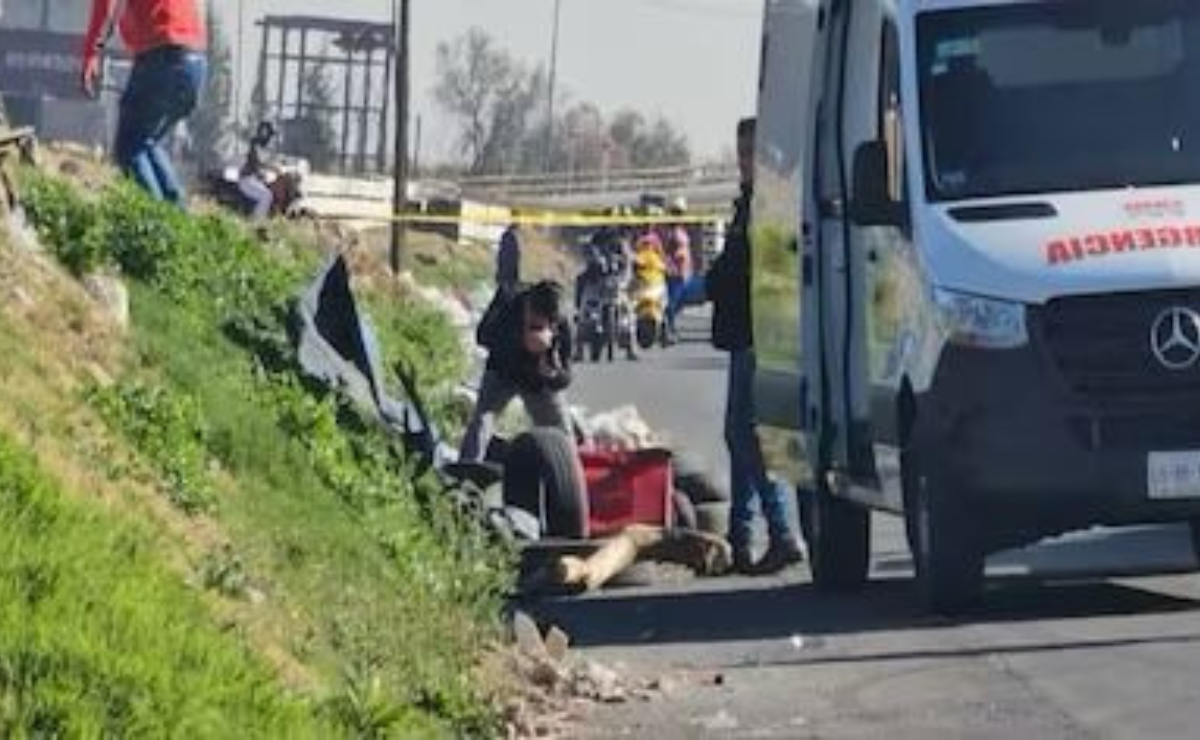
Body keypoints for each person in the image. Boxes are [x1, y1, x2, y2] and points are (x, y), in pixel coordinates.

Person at [706, 117, 804, 575]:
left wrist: (708, 283)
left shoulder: (771, 205)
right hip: (743, 331)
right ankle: (739, 538)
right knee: (738, 434)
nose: (743, 162)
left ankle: (782, 531)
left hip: (760, 333)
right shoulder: (749, 203)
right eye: (740, 153)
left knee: (748, 435)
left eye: (750, 153)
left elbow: (753, 268)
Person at [81, 0, 207, 207]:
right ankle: (176, 217)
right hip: (195, 64)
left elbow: (104, 4)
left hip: (162, 55)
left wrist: (91, 53)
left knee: (128, 148)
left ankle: (156, 223)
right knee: (145, 143)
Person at [460, 281, 576, 462]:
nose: (537, 325)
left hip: (537, 381)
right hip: (502, 371)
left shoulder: (560, 322)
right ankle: (467, 469)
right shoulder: (508, 299)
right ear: (528, 305)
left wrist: (552, 374)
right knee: (482, 420)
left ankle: (567, 480)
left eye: (542, 324)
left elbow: (567, 375)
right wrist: (520, 340)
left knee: (562, 435)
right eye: (533, 321)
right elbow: (483, 335)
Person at [239, 121, 279, 220]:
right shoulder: (255, 144)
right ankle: (256, 222)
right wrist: (274, 168)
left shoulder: (262, 147)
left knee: (271, 189)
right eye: (268, 134)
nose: (270, 138)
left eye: (271, 135)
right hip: (247, 180)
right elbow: (260, 162)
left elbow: (262, 166)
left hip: (254, 180)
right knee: (267, 196)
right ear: (262, 132)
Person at [496, 224, 522, 291]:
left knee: (508, 284)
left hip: (508, 269)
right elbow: (507, 252)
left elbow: (502, 252)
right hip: (507, 270)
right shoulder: (508, 236)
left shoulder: (509, 236)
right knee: (507, 284)